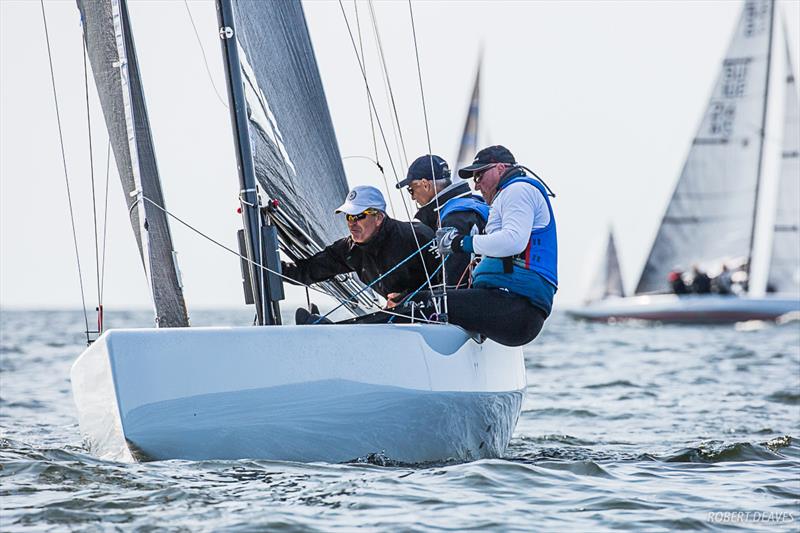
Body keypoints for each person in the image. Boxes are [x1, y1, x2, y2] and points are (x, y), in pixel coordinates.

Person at [401, 145, 557, 346]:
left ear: (500, 168)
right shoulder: (503, 198)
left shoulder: (518, 189)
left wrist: (460, 243)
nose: (476, 185)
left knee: (415, 303)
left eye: (479, 176)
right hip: (510, 304)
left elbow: (513, 241)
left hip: (518, 305)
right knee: (423, 301)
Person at [282, 185, 437, 321]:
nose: (351, 223)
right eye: (348, 217)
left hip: (434, 319)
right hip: (399, 320)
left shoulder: (416, 237)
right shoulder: (349, 249)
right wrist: (269, 268)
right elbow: (307, 271)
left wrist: (412, 298)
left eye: (358, 216)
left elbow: (451, 283)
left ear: (378, 217)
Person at [396, 154, 489, 287]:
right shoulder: (473, 202)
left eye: (411, 190)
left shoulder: (454, 218)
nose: (412, 197)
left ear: (425, 185)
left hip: (478, 300)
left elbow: (457, 282)